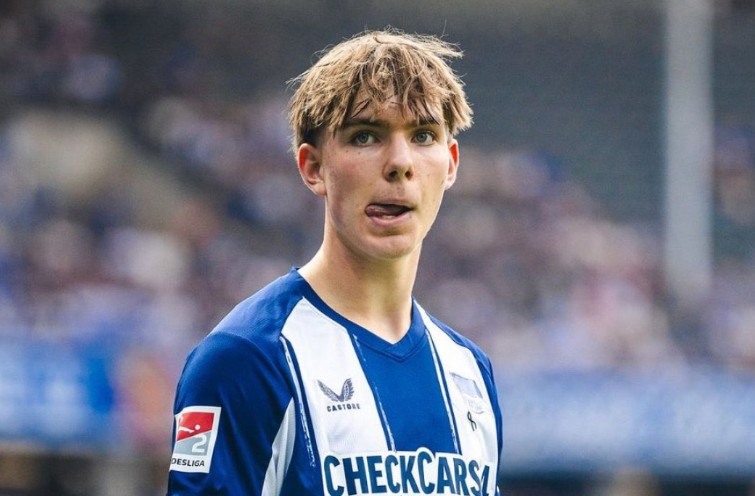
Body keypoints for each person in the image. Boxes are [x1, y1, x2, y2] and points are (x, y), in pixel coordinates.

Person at [167, 28, 503, 496]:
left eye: (423, 135)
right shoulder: (246, 360)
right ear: (313, 167)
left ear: (450, 164)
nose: (400, 163)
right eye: (366, 136)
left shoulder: (470, 373)